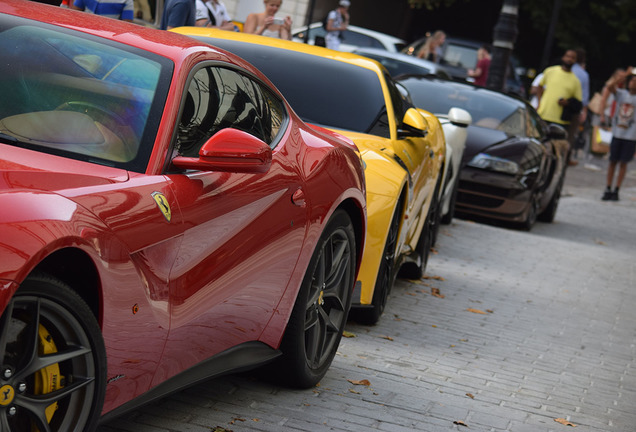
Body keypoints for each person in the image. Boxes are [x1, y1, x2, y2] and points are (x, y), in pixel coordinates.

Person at [536, 49, 583, 163]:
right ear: (563, 57)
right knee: (539, 145)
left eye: (572, 57)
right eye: (568, 56)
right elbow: (540, 86)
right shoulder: (550, 71)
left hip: (561, 120)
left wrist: (567, 103)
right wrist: (539, 102)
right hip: (544, 114)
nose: (569, 59)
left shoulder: (575, 81)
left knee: (554, 151)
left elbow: (578, 103)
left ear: (575, 61)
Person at [599, 67, 636, 201]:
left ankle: (617, 189)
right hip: (617, 132)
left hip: (631, 135)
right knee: (612, 161)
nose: (633, 82)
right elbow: (609, 86)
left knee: (623, 163)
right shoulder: (622, 94)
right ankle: (608, 187)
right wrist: (625, 75)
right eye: (632, 80)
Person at [569, 47, 590, 164]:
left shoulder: (560, 69)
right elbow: (584, 97)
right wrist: (584, 112)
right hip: (574, 109)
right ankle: (567, 156)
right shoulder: (583, 74)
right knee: (571, 135)